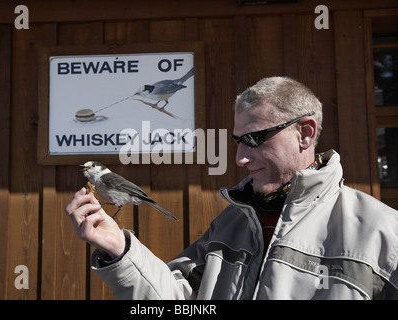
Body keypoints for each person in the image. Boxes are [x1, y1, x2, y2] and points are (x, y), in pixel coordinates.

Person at [65, 76, 398, 299]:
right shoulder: (230, 224)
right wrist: (121, 250)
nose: (240, 157)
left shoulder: (383, 233)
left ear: (305, 133)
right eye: (238, 142)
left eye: (254, 139)